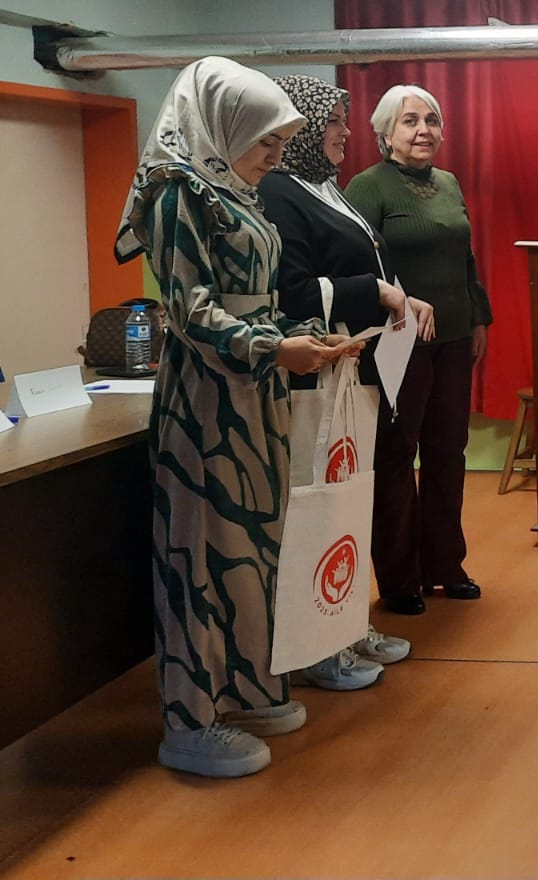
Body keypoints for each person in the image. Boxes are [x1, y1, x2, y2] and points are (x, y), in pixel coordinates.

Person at [113, 56, 360, 778]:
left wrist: (305, 338)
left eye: (281, 144)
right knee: (200, 553)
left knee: (254, 548)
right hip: (206, 402)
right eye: (265, 142)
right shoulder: (176, 192)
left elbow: (259, 296)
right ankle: (191, 720)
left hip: (256, 394)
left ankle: (249, 687)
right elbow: (188, 310)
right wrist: (273, 348)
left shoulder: (236, 189)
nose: (274, 157)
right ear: (222, 128)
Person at [259, 74, 437, 688]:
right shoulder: (279, 193)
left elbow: (365, 266)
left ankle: (346, 624)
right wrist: (378, 292)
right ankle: (315, 646)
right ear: (302, 127)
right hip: (314, 378)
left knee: (348, 505)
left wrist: (401, 297)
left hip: (353, 371)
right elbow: (291, 291)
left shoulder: (324, 188)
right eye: (333, 122)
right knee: (317, 510)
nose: (345, 132)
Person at [345, 84, 493, 615]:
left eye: (431, 120)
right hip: (397, 340)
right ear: (385, 133)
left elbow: (465, 256)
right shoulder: (367, 187)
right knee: (395, 456)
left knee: (448, 453)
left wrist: (479, 316)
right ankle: (400, 579)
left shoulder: (448, 183)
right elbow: (357, 266)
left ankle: (445, 565)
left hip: (453, 338)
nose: (423, 130)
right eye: (410, 121)